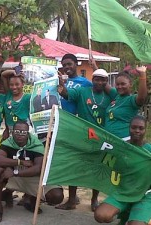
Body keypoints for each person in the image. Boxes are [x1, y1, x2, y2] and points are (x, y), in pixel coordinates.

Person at [56, 68, 116, 211]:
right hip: (82, 135)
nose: (99, 82)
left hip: (101, 137)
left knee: (96, 168)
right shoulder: (83, 91)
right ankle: (71, 200)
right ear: (92, 79)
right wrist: (61, 86)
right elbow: (66, 94)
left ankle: (94, 200)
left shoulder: (110, 96)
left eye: (103, 79)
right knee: (75, 167)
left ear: (106, 82)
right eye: (97, 79)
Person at [0, 121, 64, 223]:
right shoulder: (8, 143)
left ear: (28, 133)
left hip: (31, 177)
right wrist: (20, 162)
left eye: (23, 132)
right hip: (13, 176)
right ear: (12, 132)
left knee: (57, 196)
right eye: (17, 131)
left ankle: (31, 200)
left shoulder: (36, 145)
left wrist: (15, 173)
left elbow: (38, 168)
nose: (20, 134)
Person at [94, 115, 151, 225]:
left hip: (144, 195)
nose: (137, 131)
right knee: (100, 215)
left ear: (145, 129)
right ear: (129, 128)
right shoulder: (120, 147)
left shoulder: (149, 151)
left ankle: (140, 217)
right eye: (134, 127)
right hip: (123, 192)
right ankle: (125, 213)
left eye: (141, 128)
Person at [104, 66, 148, 140]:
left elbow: (142, 97)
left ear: (130, 84)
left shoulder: (131, 100)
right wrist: (94, 66)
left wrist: (142, 75)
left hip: (124, 140)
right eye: (117, 84)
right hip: (109, 140)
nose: (119, 86)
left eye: (123, 84)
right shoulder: (117, 96)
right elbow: (103, 83)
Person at [1, 69, 31, 139]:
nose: (14, 87)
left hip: (23, 132)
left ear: (22, 84)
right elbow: (3, 75)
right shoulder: (8, 94)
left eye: (17, 84)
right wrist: (13, 72)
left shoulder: (28, 97)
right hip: (10, 131)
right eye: (11, 85)